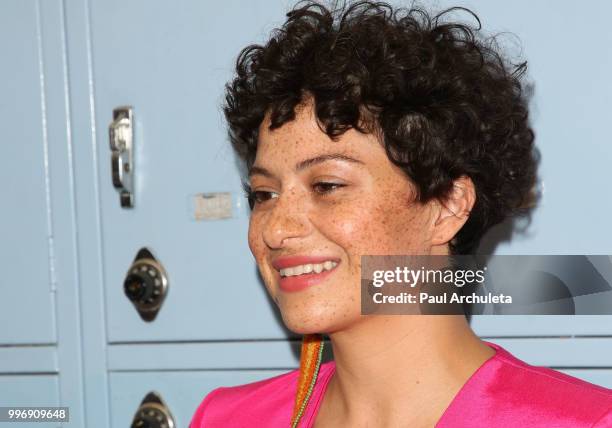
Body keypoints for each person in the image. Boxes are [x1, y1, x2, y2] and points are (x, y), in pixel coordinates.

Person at [190, 1, 612, 426]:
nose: (277, 229)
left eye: (328, 186)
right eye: (264, 194)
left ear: (447, 206)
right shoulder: (226, 418)